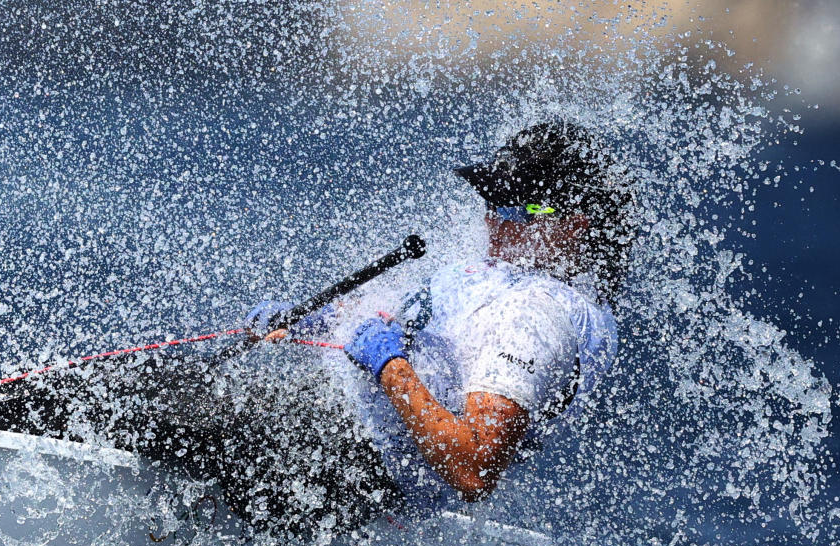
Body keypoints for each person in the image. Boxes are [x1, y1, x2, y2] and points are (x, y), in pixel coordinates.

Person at [248, 120, 635, 517]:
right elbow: (404, 321)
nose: (494, 221)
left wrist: (390, 367)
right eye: (491, 204)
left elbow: (474, 467)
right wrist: (320, 319)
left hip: (363, 470)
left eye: (517, 210)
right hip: (326, 426)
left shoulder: (536, 316)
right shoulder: (501, 273)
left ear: (572, 228)